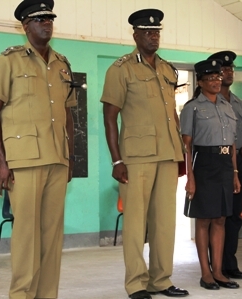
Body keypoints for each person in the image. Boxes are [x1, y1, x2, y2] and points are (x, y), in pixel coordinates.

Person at [0, 1, 76, 298]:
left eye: (49, 18)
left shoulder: (62, 63)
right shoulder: (8, 61)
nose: (46, 23)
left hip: (56, 159)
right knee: (26, 237)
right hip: (23, 161)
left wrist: (69, 157)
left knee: (52, 237)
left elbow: (69, 114)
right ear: (25, 26)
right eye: (39, 19)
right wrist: (1, 161)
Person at [100, 8, 189, 299]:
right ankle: (136, 284)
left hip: (166, 154)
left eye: (157, 32)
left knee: (165, 222)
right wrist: (116, 159)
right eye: (148, 32)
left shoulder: (167, 69)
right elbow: (110, 116)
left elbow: (171, 115)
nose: (154, 36)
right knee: (136, 224)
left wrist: (179, 154)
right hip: (136, 157)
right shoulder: (121, 69)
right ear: (136, 35)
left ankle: (161, 280)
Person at [180, 59, 241, 290]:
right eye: (211, 78)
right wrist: (190, 178)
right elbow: (186, 145)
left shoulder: (228, 106)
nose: (216, 82)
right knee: (204, 219)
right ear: (201, 81)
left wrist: (235, 173)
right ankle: (205, 273)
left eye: (218, 78)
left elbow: (233, 145)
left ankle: (218, 271)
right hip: (204, 164)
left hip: (225, 164)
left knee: (221, 219)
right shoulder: (192, 107)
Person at [208, 51, 242, 280]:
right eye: (224, 69)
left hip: (237, 164)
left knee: (234, 216)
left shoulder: (238, 104)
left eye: (231, 69)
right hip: (216, 163)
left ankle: (229, 263)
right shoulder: (206, 102)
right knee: (215, 216)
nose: (229, 72)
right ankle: (215, 265)